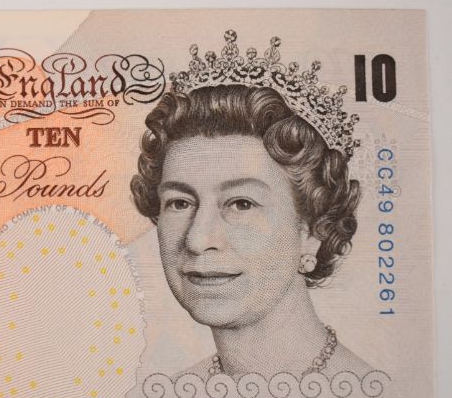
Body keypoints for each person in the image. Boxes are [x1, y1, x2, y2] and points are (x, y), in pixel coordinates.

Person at [130, 68, 373, 379]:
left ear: (314, 230)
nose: (197, 240)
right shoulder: (168, 397)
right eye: (180, 203)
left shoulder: (362, 391)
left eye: (241, 204)